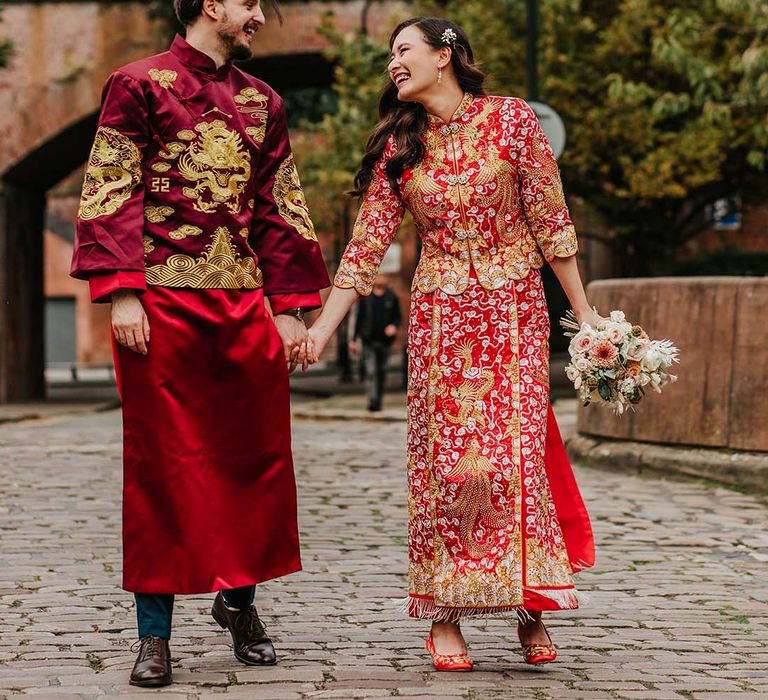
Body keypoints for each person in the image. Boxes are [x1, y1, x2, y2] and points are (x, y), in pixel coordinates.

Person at [302, 17, 596, 671]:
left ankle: (531, 608)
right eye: (389, 56)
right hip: (441, 325)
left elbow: (552, 220)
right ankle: (445, 615)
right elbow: (365, 246)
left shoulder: (514, 121)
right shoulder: (400, 144)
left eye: (402, 51)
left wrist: (589, 321)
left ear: (445, 55)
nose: (392, 65)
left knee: (514, 460)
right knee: (450, 468)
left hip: (513, 315)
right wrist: (324, 327)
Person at [70, 0, 329, 687]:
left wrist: (290, 307)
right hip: (161, 306)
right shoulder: (137, 84)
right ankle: (153, 636)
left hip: (243, 306)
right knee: (163, 468)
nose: (260, 18)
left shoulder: (262, 100)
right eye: (250, 5)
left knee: (256, 461)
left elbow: (279, 203)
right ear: (212, 3)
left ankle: (239, 604)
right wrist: (123, 289)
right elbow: (110, 187)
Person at [351, 274, 402, 411]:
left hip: (385, 342)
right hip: (369, 340)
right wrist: (353, 339)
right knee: (371, 371)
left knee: (382, 371)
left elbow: (398, 317)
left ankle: (378, 400)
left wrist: (394, 326)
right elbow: (359, 319)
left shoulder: (391, 297)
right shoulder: (366, 299)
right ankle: (372, 401)